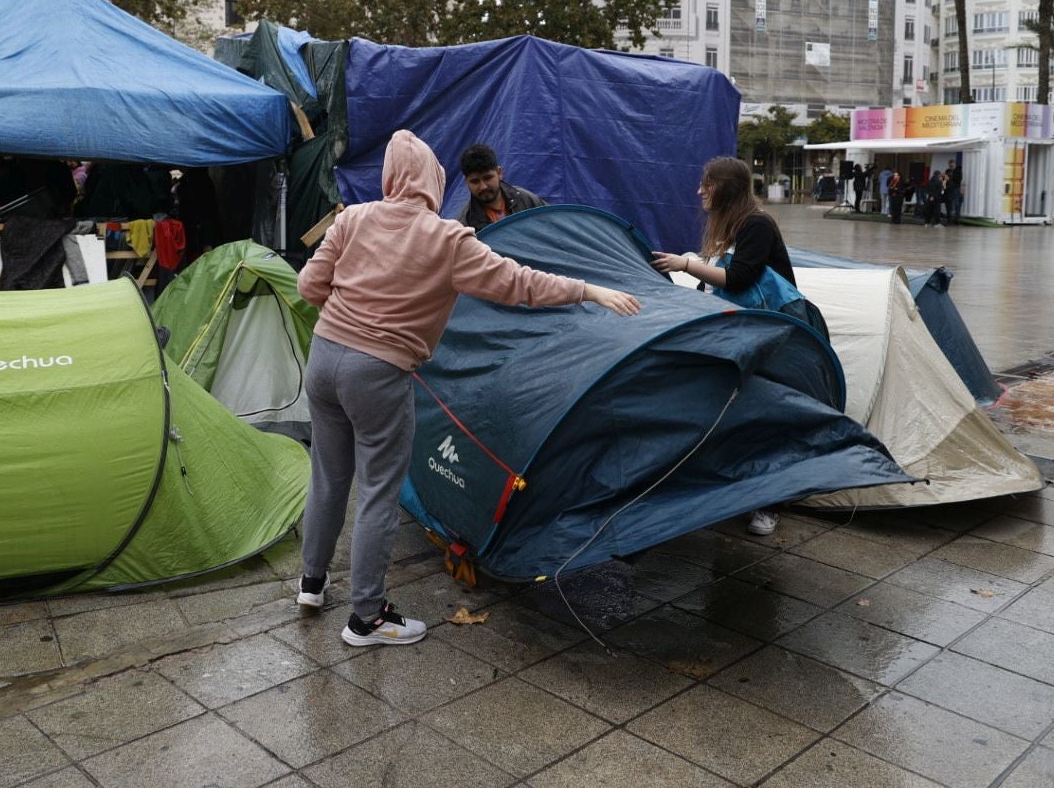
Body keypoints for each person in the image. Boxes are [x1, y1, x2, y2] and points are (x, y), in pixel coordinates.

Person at [294, 130, 640, 647]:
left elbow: (308, 287)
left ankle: (312, 584)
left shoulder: (353, 218)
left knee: (328, 477)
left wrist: (351, 314)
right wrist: (587, 290)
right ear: (434, 179)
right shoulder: (448, 239)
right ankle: (366, 616)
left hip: (322, 359)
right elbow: (520, 283)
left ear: (390, 177)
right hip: (379, 372)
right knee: (378, 493)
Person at [650, 156, 825, 538]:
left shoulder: (756, 224)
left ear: (725, 187)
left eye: (707, 184)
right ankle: (738, 489)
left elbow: (739, 277)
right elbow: (717, 286)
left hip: (776, 334)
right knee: (736, 413)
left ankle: (771, 501)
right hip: (747, 331)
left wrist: (685, 264)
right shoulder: (730, 226)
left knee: (770, 417)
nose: (700, 191)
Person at [457, 143, 547, 231]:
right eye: (475, 181)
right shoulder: (465, 224)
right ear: (466, 182)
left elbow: (553, 227)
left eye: (488, 178)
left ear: (499, 173)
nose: (483, 187)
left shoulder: (525, 200)